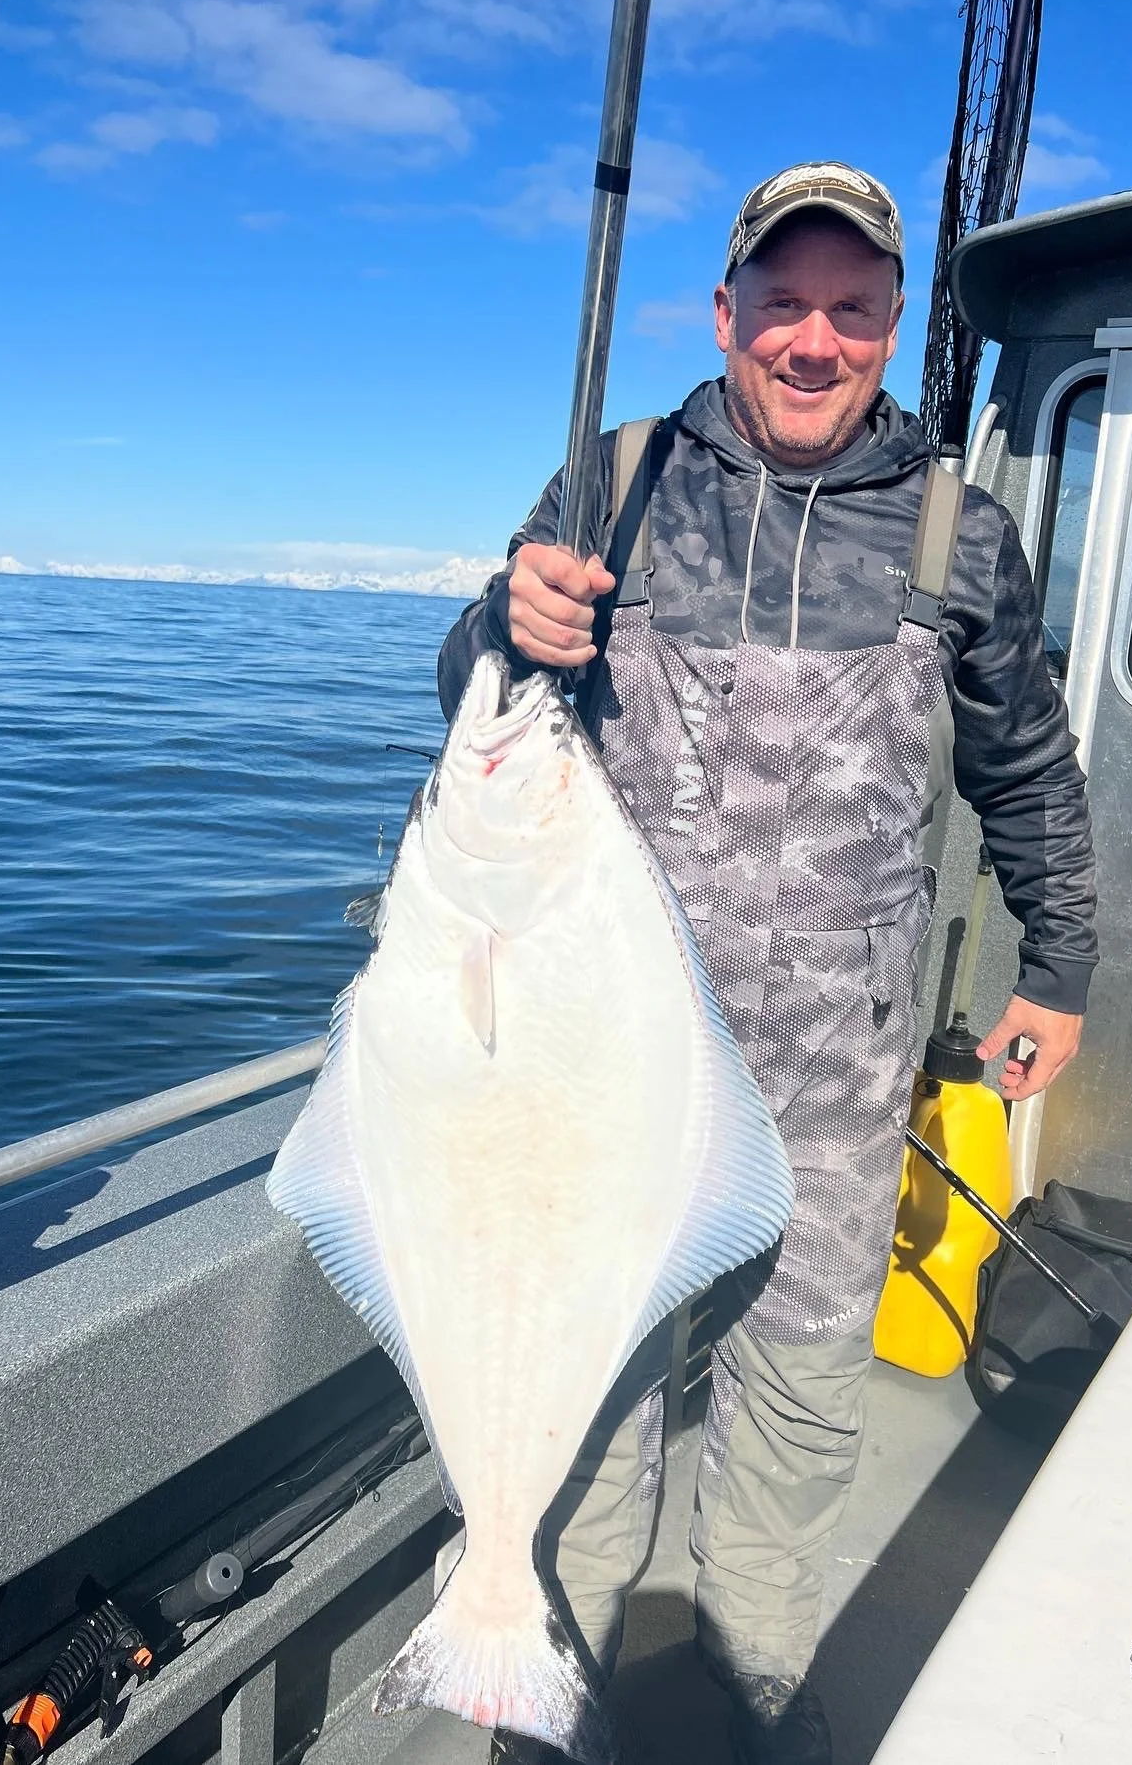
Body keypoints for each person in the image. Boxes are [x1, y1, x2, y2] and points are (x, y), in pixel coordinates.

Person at [436, 161, 1098, 1765]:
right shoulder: (617, 480)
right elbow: (474, 690)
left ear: (893, 330)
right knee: (584, 1431)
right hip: (603, 1085)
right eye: (784, 304)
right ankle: (542, 1719)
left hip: (831, 1093)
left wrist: (1057, 962)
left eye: (853, 309)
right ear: (726, 313)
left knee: (794, 1440)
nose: (816, 341)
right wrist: (503, 621)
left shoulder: (962, 533)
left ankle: (756, 1718)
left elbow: (1028, 770)